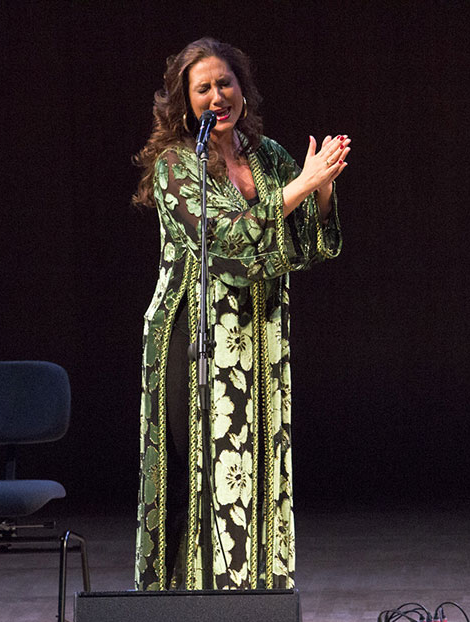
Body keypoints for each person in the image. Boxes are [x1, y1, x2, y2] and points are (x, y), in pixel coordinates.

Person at [132, 37, 350, 591]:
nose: (216, 96)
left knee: (256, 476)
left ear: (241, 90)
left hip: (260, 334)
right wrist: (301, 187)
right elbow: (227, 247)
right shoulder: (175, 165)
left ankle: (252, 609)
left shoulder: (269, 156)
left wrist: (320, 192)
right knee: (195, 475)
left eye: (224, 83)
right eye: (202, 88)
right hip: (194, 334)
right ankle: (179, 611)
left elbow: (310, 249)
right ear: (184, 101)